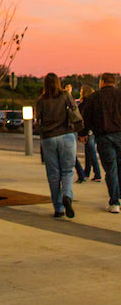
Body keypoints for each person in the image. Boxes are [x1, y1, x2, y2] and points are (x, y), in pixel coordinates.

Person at [36, 72, 78, 218]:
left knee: (53, 174)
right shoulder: (66, 96)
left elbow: (38, 120)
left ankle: (58, 207)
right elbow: (74, 110)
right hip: (66, 135)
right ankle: (67, 195)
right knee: (67, 170)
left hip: (48, 138)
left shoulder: (41, 100)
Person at [80, 72, 121, 213]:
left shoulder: (94, 98)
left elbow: (87, 117)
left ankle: (115, 202)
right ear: (114, 82)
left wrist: (83, 133)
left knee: (111, 169)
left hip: (103, 136)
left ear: (102, 82)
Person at [77, 85, 102, 182]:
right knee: (88, 151)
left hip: (88, 131)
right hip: (95, 130)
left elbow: (83, 119)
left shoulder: (84, 105)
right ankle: (86, 172)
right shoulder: (96, 103)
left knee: (91, 151)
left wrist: (82, 133)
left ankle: (97, 173)